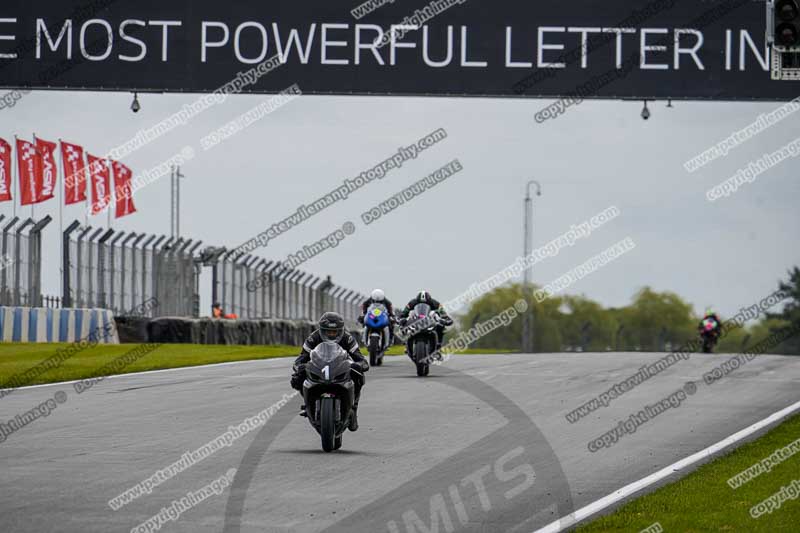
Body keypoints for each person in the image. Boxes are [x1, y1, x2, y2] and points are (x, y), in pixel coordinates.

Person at [290, 312, 369, 431]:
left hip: (340, 368)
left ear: (340, 330)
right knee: (297, 377)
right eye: (328, 331)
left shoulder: (348, 338)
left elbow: (361, 359)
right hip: (319, 368)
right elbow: (301, 358)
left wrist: (359, 365)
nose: (331, 334)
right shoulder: (313, 337)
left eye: (334, 331)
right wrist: (299, 366)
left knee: (358, 374)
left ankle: (354, 408)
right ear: (322, 330)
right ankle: (308, 404)